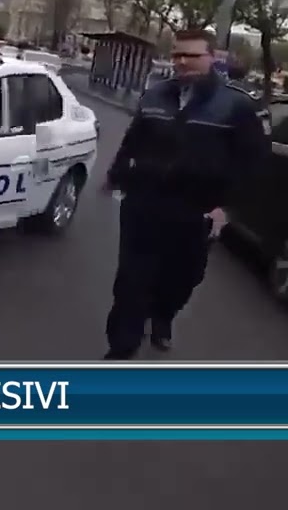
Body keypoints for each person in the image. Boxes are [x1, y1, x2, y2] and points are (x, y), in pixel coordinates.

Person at [101, 28, 269, 360]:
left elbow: (253, 163)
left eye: (191, 55)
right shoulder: (155, 94)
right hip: (145, 202)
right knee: (132, 280)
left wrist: (226, 207)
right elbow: (133, 140)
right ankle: (121, 349)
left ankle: (163, 315)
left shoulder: (238, 104)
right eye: (177, 54)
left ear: (213, 57)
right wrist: (116, 174)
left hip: (197, 208)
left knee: (183, 277)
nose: (181, 62)